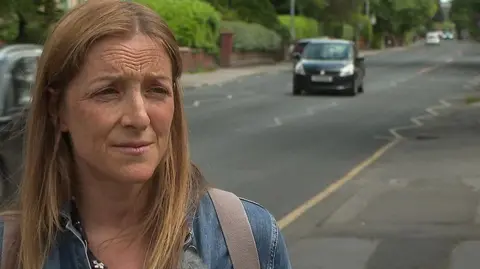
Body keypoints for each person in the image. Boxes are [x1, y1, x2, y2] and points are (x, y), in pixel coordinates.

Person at [0, 1, 292, 269]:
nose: (139, 117)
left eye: (156, 90)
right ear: (57, 109)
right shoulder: (10, 250)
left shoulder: (247, 239)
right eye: (108, 91)